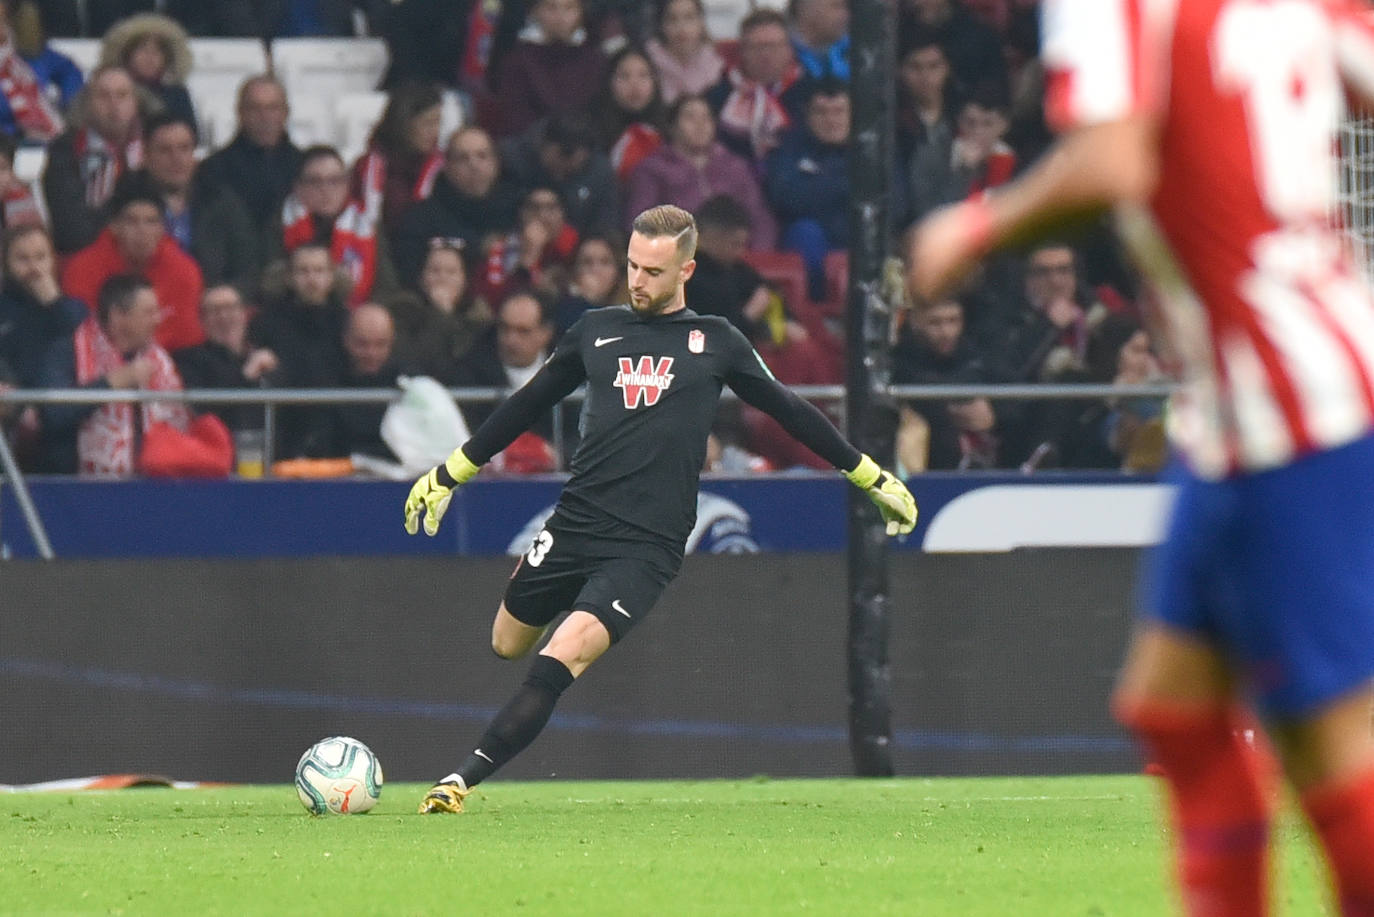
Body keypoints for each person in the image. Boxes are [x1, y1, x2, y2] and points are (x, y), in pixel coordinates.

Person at [906, 2, 1374, 913]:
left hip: (1291, 409)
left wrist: (974, 227)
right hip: (1250, 401)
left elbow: (1114, 159)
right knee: (1176, 712)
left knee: (1334, 739)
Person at [402, 204, 916, 813]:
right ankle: (490, 722)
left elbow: (789, 410)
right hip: (575, 522)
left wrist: (867, 473)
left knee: (557, 658)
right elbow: (527, 402)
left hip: (645, 549)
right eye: (632, 266)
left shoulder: (716, 341)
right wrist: (451, 471)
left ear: (686, 270)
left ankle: (459, 781)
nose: (638, 281)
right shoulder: (594, 331)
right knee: (507, 642)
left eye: (652, 270)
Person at [37, 273, 188, 476]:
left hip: (155, 486)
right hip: (78, 488)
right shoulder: (67, 353)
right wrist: (110, 384)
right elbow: (53, 414)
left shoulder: (160, 361)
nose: (158, 320)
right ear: (118, 317)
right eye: (148, 313)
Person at [61, 173, 204, 352]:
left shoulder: (184, 270)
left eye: (151, 222)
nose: (142, 231)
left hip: (172, 358)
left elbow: (186, 336)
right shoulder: (82, 269)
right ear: (114, 227)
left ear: (162, 229)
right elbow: (83, 333)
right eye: (132, 221)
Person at [624, 95, 776, 249]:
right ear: (672, 127)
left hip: (734, 258)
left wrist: (756, 257)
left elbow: (760, 218)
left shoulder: (735, 167)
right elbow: (640, 224)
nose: (700, 125)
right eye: (690, 118)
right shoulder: (652, 169)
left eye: (706, 118)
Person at [139, 112, 261, 292]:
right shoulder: (129, 201)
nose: (176, 158)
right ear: (146, 157)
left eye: (184, 148)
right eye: (165, 150)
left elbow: (247, 268)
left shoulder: (221, 201)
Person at [391, 125, 522, 282]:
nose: (474, 165)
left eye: (482, 156)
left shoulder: (519, 209)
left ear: (496, 163)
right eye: (463, 158)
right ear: (447, 167)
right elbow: (409, 273)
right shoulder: (421, 219)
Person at [42, 64, 146, 254]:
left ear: (135, 103)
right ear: (88, 103)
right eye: (104, 96)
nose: (114, 104)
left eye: (122, 95)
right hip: (84, 254)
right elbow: (70, 228)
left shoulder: (152, 147)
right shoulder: (65, 150)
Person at [197, 75, 304, 233]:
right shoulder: (212, 170)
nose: (264, 117)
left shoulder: (305, 168)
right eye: (255, 108)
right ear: (240, 113)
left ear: (286, 112)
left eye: (272, 108)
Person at [172, 284, 280, 433]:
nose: (224, 317)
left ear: (244, 314)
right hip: (219, 450)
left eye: (230, 308)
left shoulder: (267, 356)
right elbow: (202, 410)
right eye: (215, 311)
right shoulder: (189, 361)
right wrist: (246, 376)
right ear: (201, 320)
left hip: (271, 448)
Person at [350, 82, 444, 237]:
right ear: (403, 124)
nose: (435, 132)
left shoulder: (443, 169)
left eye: (438, 122)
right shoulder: (367, 168)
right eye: (427, 123)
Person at [96, 12, 195, 126]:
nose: (149, 57)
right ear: (127, 55)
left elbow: (189, 134)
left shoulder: (177, 95)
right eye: (142, 50)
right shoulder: (110, 90)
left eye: (157, 51)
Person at [644, 0, 723, 105]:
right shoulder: (647, 63)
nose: (681, 27)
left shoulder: (716, 68)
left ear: (701, 22)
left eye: (689, 18)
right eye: (672, 19)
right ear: (662, 25)